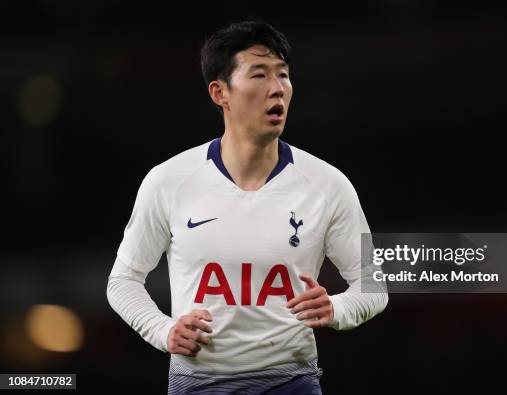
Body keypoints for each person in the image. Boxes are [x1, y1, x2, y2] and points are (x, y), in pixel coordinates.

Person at [107, 19, 388, 394]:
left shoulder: (327, 185)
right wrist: (164, 330)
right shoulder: (169, 180)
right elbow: (123, 281)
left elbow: (374, 285)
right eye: (259, 75)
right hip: (197, 384)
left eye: (283, 75)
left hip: (291, 381)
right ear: (220, 92)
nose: (277, 88)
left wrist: (336, 309)